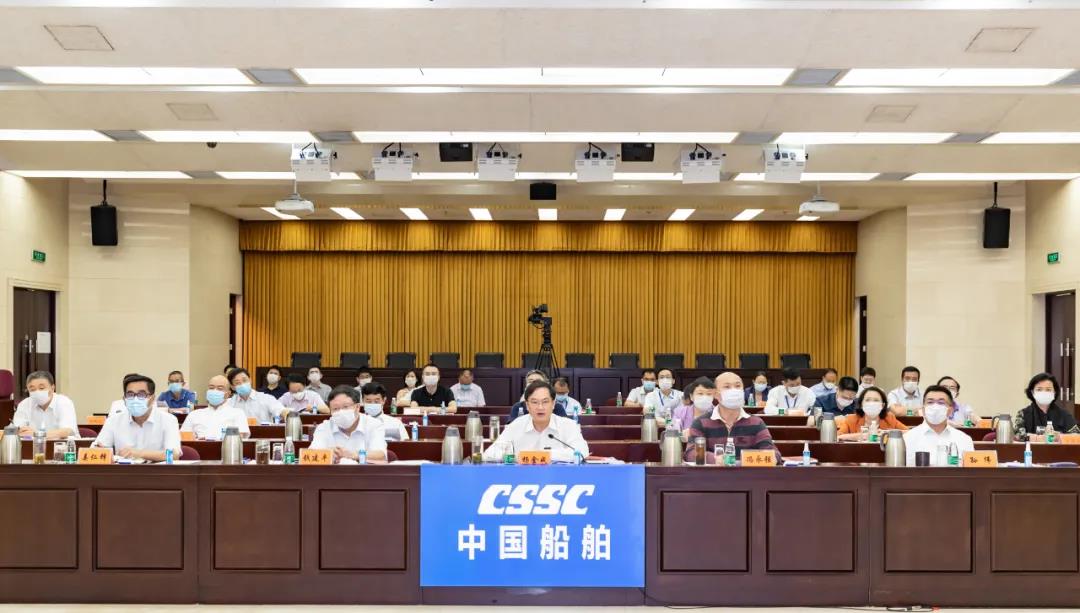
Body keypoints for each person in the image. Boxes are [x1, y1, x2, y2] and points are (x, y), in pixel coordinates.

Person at [685, 372, 781, 463]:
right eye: (727, 387)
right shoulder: (701, 423)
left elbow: (774, 453)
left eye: (738, 386)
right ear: (716, 394)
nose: (734, 390)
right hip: (715, 473)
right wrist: (716, 459)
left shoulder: (756, 422)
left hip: (746, 474)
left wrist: (767, 457)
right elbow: (691, 453)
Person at [484, 380, 589, 463]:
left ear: (553, 404)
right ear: (527, 405)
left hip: (557, 478)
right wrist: (516, 456)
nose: (540, 407)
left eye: (545, 402)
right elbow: (489, 454)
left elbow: (582, 452)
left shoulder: (568, 425)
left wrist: (544, 455)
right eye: (534, 402)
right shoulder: (516, 425)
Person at [92, 374, 181, 461]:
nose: (135, 399)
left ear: (153, 398)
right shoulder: (113, 421)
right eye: (130, 395)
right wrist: (100, 451)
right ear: (124, 399)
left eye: (141, 394)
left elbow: (174, 455)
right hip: (123, 470)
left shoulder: (168, 420)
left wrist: (139, 454)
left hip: (156, 470)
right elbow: (95, 450)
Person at [309, 386, 387, 463]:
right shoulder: (324, 427)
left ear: (357, 407)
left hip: (364, 471)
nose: (341, 412)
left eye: (345, 407)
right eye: (335, 409)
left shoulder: (374, 424)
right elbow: (310, 455)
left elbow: (380, 454)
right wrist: (328, 452)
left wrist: (353, 455)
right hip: (333, 471)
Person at [902, 385, 974, 466]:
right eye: (930, 402)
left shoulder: (964, 439)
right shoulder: (907, 438)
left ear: (950, 411)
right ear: (923, 410)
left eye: (941, 403)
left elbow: (971, 471)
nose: (935, 407)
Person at [1013, 372, 1080, 442]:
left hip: (1057, 449)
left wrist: (1058, 437)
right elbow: (1017, 436)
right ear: (1032, 392)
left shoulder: (1064, 414)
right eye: (1039, 389)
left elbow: (1077, 436)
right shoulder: (1023, 413)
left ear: (1054, 392)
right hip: (1031, 449)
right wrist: (1039, 438)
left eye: (1048, 389)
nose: (1044, 392)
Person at [181, 375, 250, 440]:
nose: (214, 391)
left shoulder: (237, 413)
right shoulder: (194, 414)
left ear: (228, 394)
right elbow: (183, 437)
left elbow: (240, 438)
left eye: (220, 388)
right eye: (211, 388)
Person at [12, 371, 77, 438]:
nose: (37, 392)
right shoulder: (24, 404)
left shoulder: (63, 402)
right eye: (32, 389)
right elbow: (18, 430)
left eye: (41, 388)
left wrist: (36, 434)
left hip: (64, 444)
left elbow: (67, 431)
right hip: (33, 444)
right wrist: (20, 431)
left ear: (52, 388)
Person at [836, 386, 907, 440]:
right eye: (867, 400)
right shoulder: (851, 420)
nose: (872, 403)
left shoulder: (890, 418)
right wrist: (861, 435)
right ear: (861, 404)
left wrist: (887, 434)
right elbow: (838, 437)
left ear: (882, 405)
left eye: (876, 400)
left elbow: (909, 433)